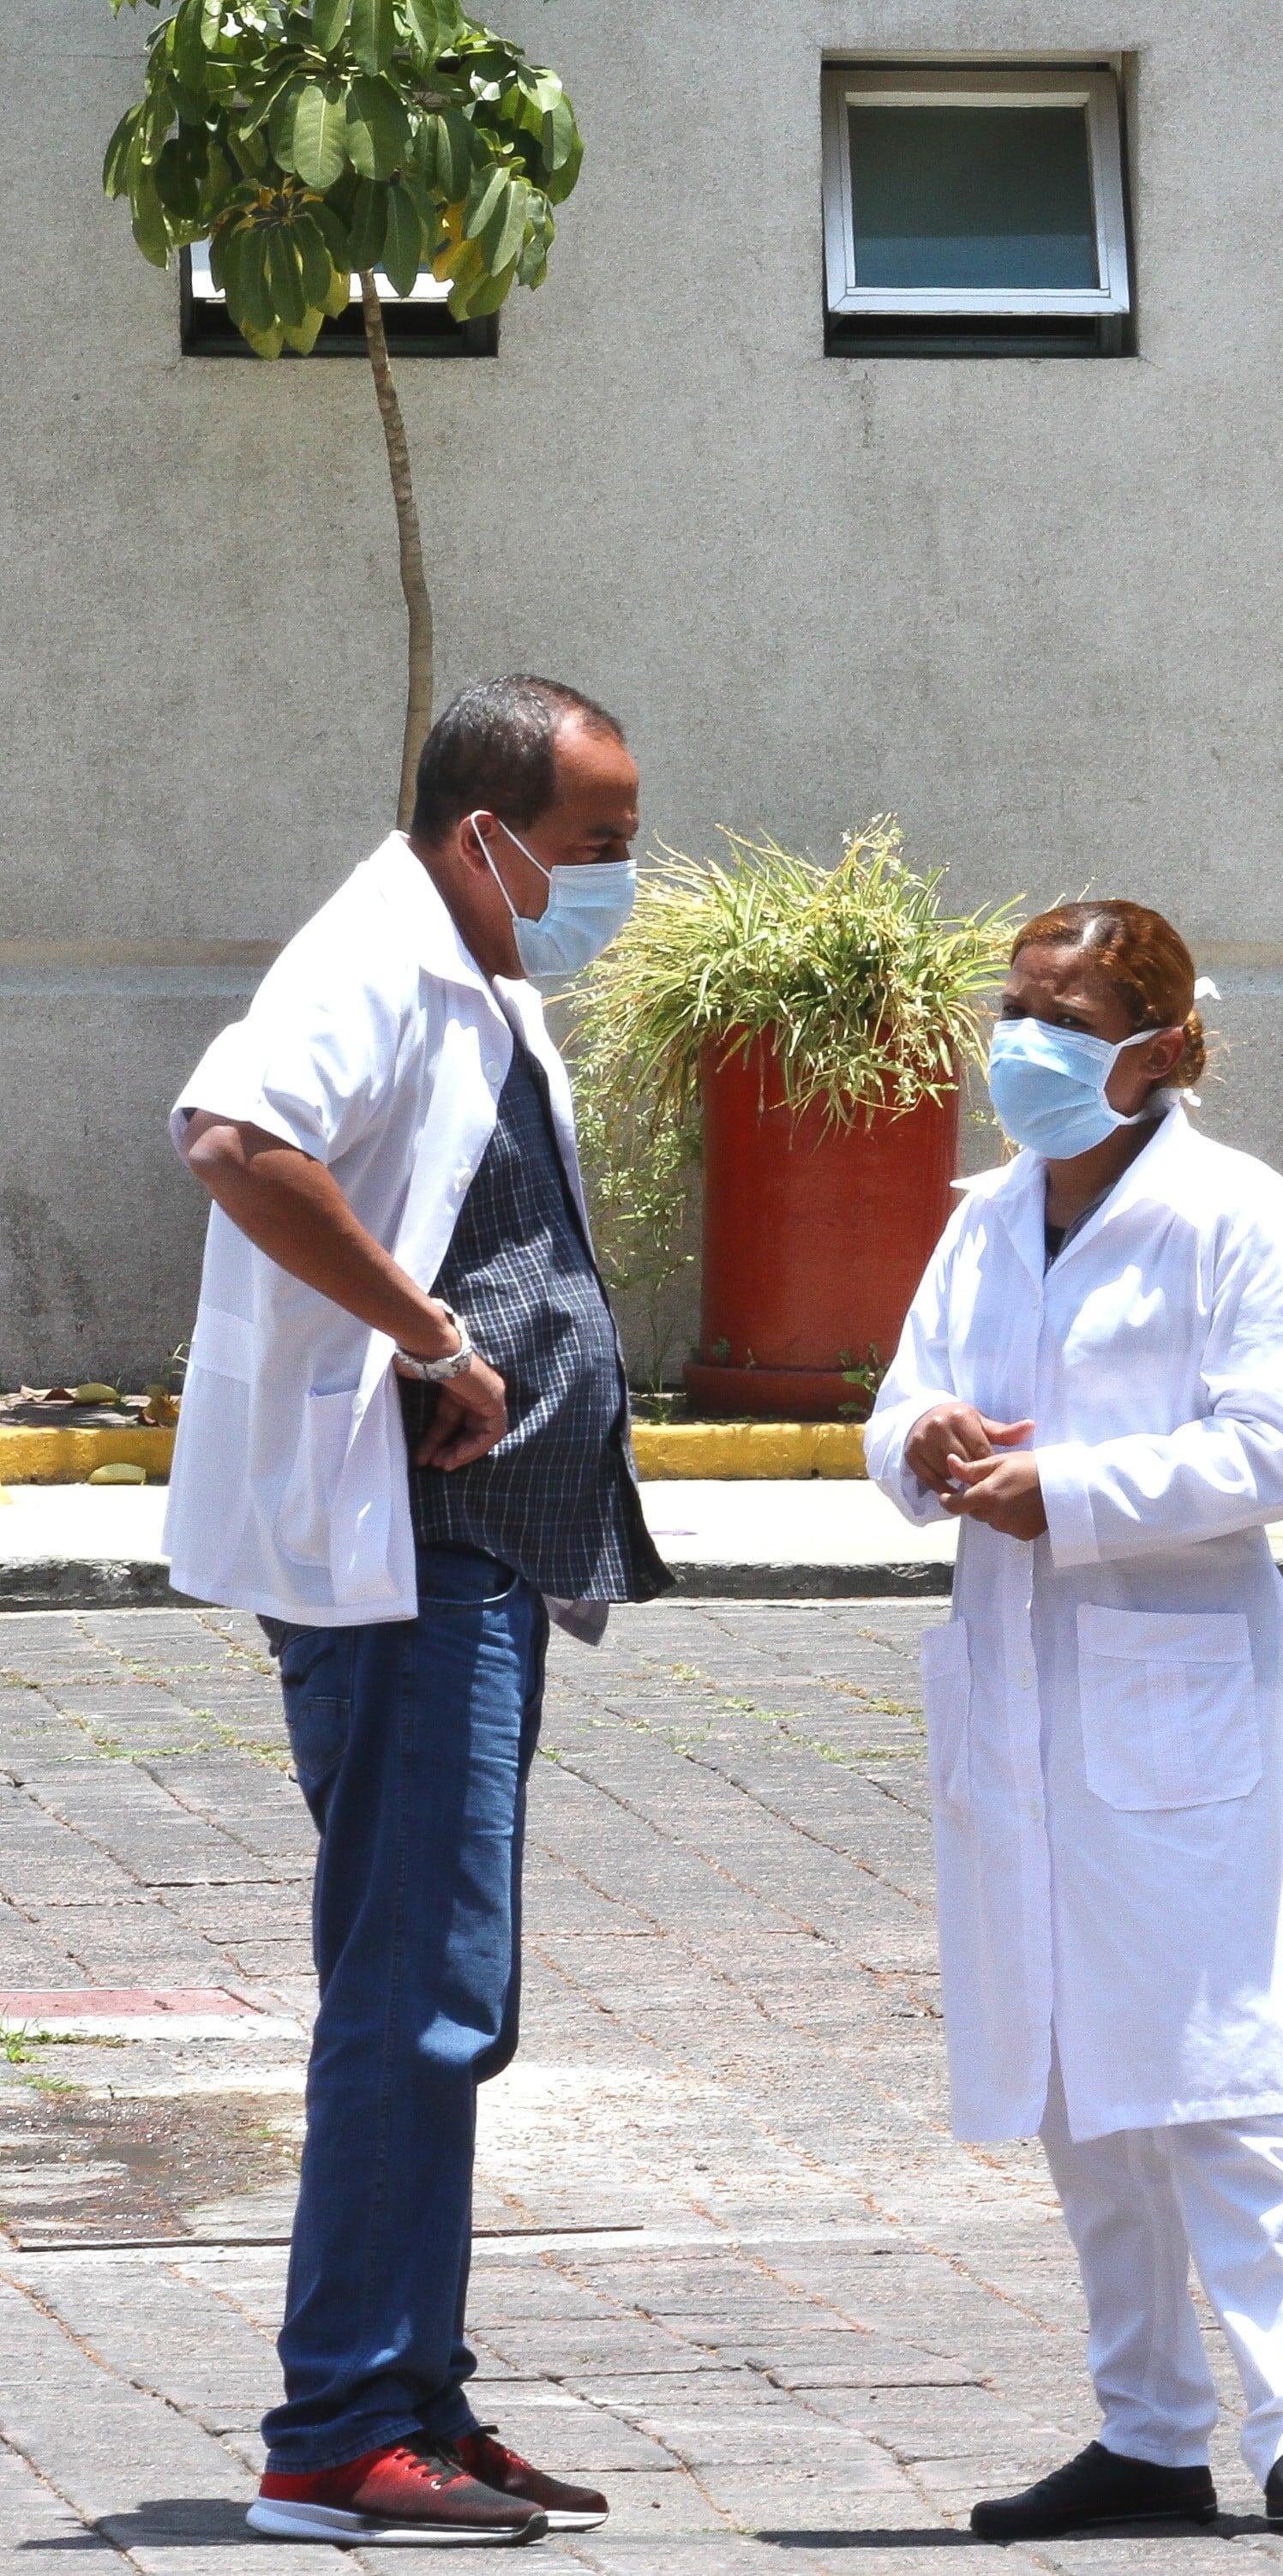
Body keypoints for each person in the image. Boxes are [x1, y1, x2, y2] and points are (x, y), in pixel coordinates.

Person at [168, 676, 665, 2543]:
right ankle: (339, 2430)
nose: (615, 878)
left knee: (451, 1992)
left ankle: (418, 2399)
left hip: (470, 1553)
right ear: (485, 834)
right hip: (403, 1561)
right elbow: (234, 1137)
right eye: (596, 845)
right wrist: (431, 1335)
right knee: (414, 1995)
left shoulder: (471, 962)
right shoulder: (374, 953)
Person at [862, 902, 1283, 2543]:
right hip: (1021, 1687)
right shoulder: (983, 1220)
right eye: (1013, 1012)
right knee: (1072, 2083)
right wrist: (927, 1443)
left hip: (1178, 1698)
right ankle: (1149, 2430)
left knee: (1218, 2071)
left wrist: (1074, 1490)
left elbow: (1278, 1451)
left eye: (1067, 1020)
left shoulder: (1232, 1213)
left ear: (1157, 1048)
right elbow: (897, 1407)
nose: (1024, 1046)